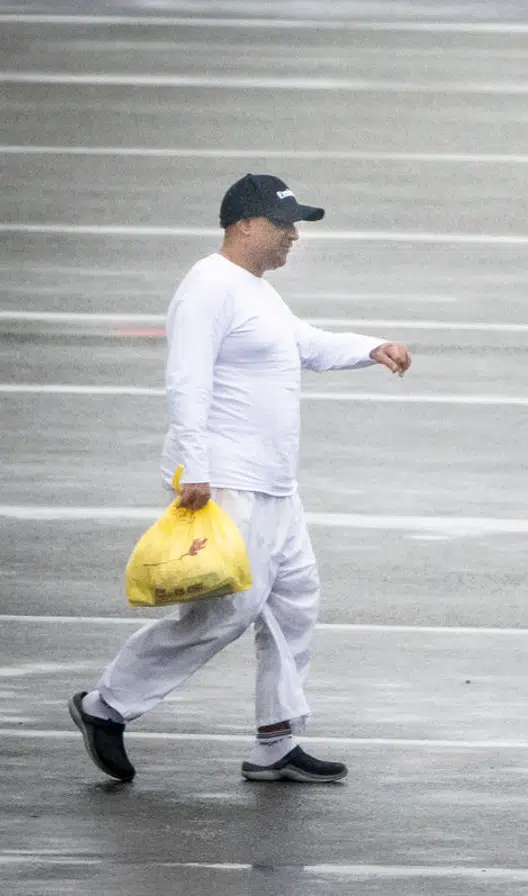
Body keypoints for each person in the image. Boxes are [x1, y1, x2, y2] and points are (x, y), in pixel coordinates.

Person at [69, 174, 413, 784]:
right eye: (285, 225)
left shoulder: (256, 292)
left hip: (276, 485)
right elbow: (186, 378)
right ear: (244, 226)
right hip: (227, 481)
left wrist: (371, 346)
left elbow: (302, 344)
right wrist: (194, 466)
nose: (293, 237)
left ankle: (277, 742)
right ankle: (107, 705)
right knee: (229, 611)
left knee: (294, 604)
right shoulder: (208, 285)